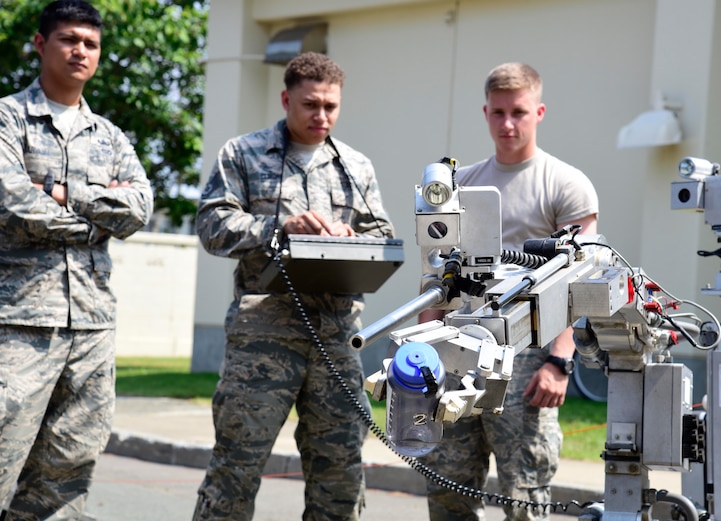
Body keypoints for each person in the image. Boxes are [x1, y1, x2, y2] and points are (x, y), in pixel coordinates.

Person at [192, 52, 395, 521]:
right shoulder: (242, 153)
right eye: (310, 105)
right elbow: (211, 224)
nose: (321, 115)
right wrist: (279, 228)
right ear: (286, 99)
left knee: (341, 471)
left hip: (337, 339)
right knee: (236, 468)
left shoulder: (356, 166)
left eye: (331, 106)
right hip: (263, 338)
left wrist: (352, 238)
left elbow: (382, 237)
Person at [419, 62, 599, 520]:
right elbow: (437, 279)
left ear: (539, 111)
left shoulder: (566, 184)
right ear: (485, 112)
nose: (507, 123)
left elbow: (580, 279)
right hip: (459, 354)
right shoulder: (460, 186)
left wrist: (560, 362)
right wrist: (425, 356)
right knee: (447, 487)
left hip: (528, 358)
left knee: (523, 496)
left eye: (518, 111)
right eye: (497, 112)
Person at [0, 0, 154, 518]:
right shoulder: (8, 118)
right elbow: (12, 203)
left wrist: (69, 194)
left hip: (91, 326)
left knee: (69, 468)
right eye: (68, 39)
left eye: (90, 43)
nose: (80, 51)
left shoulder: (109, 136)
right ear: (41, 44)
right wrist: (95, 223)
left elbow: (139, 209)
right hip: (18, 324)